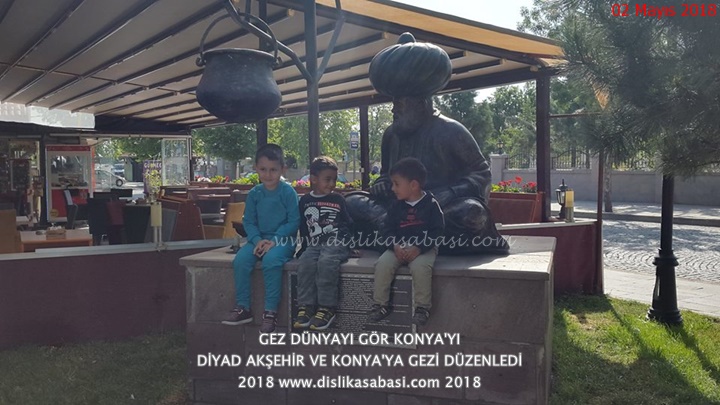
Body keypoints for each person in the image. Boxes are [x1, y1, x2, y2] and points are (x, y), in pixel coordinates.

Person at [346, 96, 508, 254]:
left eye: (399, 105)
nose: (393, 110)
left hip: (438, 208)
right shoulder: (391, 134)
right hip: (397, 207)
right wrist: (382, 183)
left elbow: (481, 173)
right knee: (350, 203)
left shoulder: (451, 130)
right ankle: (404, 233)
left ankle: (393, 235)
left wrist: (451, 192)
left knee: (470, 212)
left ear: (420, 105)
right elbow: (386, 174)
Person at [222, 144, 300, 333]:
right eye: (263, 169)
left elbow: (294, 221)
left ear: (283, 169)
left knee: (271, 260)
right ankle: (243, 307)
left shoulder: (288, 192)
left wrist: (275, 240)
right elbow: (249, 221)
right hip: (257, 240)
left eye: (273, 170)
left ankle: (270, 312)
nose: (268, 174)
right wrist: (257, 240)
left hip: (282, 241)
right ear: (256, 168)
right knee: (241, 260)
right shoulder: (255, 194)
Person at [368, 157, 444, 326]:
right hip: (398, 246)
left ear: (413, 185)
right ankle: (380, 304)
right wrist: (394, 245)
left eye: (396, 184)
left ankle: (422, 307)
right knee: (383, 264)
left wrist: (419, 247)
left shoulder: (431, 205)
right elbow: (387, 229)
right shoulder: (396, 206)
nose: (392, 188)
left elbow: (437, 232)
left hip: (423, 248)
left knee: (420, 268)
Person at [294, 156, 353, 331]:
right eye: (327, 179)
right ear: (313, 179)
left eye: (334, 179)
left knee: (326, 261)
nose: (332, 184)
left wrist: (348, 244)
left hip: (336, 241)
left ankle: (327, 308)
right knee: (305, 262)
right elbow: (304, 227)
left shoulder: (338, 200)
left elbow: (348, 223)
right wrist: (304, 247)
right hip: (314, 244)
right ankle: (306, 306)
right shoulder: (305, 201)